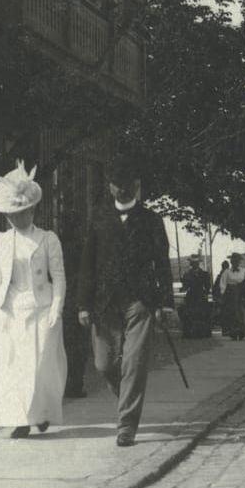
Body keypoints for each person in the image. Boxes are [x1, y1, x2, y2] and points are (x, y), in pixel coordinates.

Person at [76, 159, 174, 448]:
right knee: (104, 364)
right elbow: (87, 265)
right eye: (118, 185)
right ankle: (128, 401)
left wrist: (165, 302)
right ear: (110, 187)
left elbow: (162, 264)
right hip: (104, 304)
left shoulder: (151, 220)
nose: (123, 190)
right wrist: (83, 304)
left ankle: (127, 425)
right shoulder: (99, 218)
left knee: (133, 363)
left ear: (138, 187)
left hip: (140, 302)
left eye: (129, 186)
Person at [0, 161, 67, 439]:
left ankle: (41, 413)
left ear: (32, 210)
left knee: (40, 365)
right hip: (10, 309)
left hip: (41, 309)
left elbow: (58, 277)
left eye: (22, 213)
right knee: (14, 366)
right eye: (12, 215)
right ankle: (19, 419)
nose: (17, 219)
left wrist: (57, 306)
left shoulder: (47, 239)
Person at [219, 252, 245, 340]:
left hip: (242, 294)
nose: (235, 263)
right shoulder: (226, 272)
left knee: (242, 313)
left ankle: (243, 332)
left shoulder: (244, 271)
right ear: (231, 262)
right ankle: (233, 333)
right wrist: (223, 294)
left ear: (239, 262)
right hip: (231, 295)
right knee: (232, 313)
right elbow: (223, 284)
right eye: (233, 261)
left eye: (237, 261)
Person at [180, 257, 212, 339]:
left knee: (203, 314)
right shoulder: (187, 274)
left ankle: (204, 333)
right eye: (193, 263)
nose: (194, 264)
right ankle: (189, 333)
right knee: (190, 313)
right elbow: (185, 287)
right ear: (191, 264)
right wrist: (183, 285)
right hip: (191, 296)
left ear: (198, 263)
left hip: (201, 295)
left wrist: (206, 293)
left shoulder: (204, 274)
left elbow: (208, 286)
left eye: (196, 263)